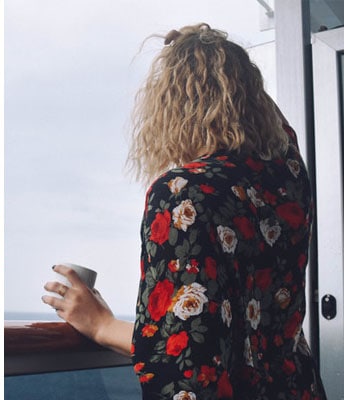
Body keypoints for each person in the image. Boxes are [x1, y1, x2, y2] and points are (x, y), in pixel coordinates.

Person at [41, 24, 324, 398]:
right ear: (252, 101)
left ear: (170, 106)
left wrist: (101, 325)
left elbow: (184, 362)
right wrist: (217, 56)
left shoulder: (182, 192)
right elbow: (283, 133)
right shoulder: (288, 181)